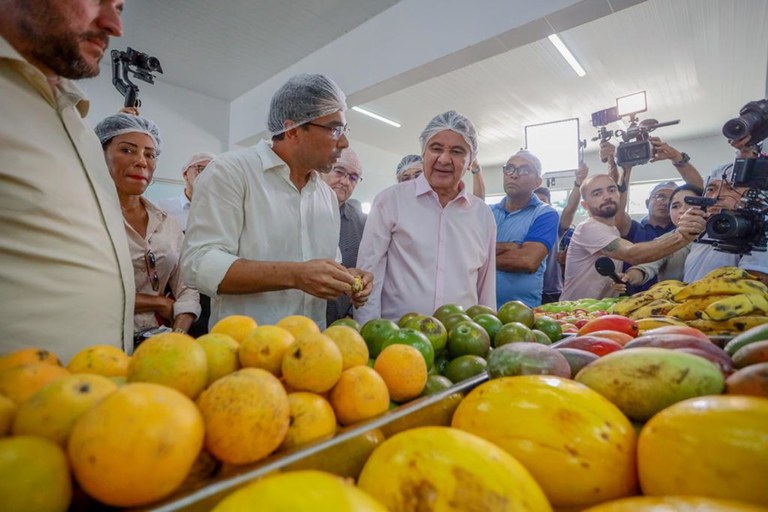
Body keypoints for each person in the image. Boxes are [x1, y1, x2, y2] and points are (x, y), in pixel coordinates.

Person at [180, 73, 372, 329]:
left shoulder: (324, 195)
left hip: (311, 350)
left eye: (344, 130)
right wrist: (295, 275)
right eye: (334, 129)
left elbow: (325, 264)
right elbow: (199, 264)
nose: (345, 142)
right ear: (293, 130)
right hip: (248, 350)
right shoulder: (231, 172)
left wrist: (346, 278)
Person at [0, 0, 134, 362]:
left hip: (102, 397)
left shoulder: (77, 120)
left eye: (120, 7)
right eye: (97, 1)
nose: (114, 26)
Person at [355, 111, 496, 324]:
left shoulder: (482, 215)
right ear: (423, 153)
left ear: (470, 162)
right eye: (436, 148)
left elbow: (485, 287)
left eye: (457, 151)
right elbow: (368, 275)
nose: (444, 159)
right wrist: (369, 335)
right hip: (397, 339)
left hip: (461, 343)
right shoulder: (390, 201)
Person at [95, 114, 200, 340]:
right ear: (99, 155)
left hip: (158, 338)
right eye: (127, 150)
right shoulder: (86, 216)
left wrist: (177, 336)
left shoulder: (166, 223)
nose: (142, 161)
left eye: (150, 154)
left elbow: (187, 288)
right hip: (98, 338)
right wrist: (158, 302)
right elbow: (86, 290)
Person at [560, 174, 705, 301]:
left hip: (600, 312)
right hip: (574, 312)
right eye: (597, 193)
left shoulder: (613, 230)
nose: (607, 196)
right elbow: (633, 254)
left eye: (612, 190)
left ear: (619, 195)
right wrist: (683, 236)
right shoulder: (589, 228)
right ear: (585, 205)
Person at [492, 150, 558, 309]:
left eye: (524, 170)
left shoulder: (545, 213)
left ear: (537, 182)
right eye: (509, 168)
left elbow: (527, 260)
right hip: (480, 308)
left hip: (521, 313)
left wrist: (479, 257)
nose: (514, 175)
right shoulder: (487, 212)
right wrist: (511, 246)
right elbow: (464, 251)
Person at [683, 163, 768, 284]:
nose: (717, 196)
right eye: (710, 189)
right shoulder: (705, 230)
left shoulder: (760, 230)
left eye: (730, 188)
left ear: (753, 195)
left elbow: (752, 289)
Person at [619, 184, 703, 287]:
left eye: (690, 203)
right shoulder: (665, 241)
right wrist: (628, 277)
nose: (682, 210)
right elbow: (648, 266)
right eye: (675, 206)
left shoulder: (720, 235)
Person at [319, 148, 367, 325]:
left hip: (342, 323)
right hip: (297, 321)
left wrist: (351, 313)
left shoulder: (362, 224)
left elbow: (366, 271)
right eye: (339, 171)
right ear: (322, 170)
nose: (345, 181)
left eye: (353, 177)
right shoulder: (299, 211)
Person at [534, 162, 588, 303]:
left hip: (550, 291)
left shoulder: (554, 224)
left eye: (543, 202)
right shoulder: (523, 223)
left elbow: (569, 209)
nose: (539, 206)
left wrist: (578, 184)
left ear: (550, 206)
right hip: (527, 290)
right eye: (536, 202)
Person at [157, 152, 216, 232]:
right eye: (201, 169)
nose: (207, 175)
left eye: (212, 172)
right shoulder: (163, 208)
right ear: (185, 174)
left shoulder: (219, 210)